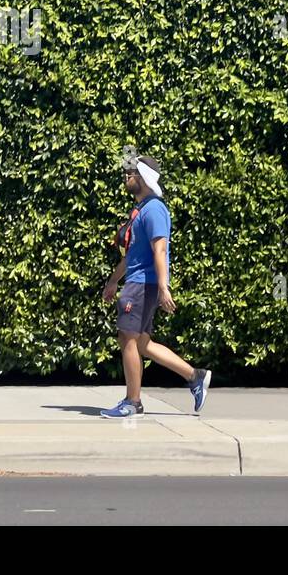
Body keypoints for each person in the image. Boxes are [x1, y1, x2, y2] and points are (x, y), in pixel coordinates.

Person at [99, 155, 212, 418]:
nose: (127, 177)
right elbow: (132, 256)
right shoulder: (140, 211)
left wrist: (164, 287)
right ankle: (195, 376)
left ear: (145, 178)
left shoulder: (154, 210)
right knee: (142, 344)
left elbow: (160, 249)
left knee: (126, 338)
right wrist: (113, 281)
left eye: (132, 172)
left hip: (142, 285)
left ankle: (132, 402)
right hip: (137, 282)